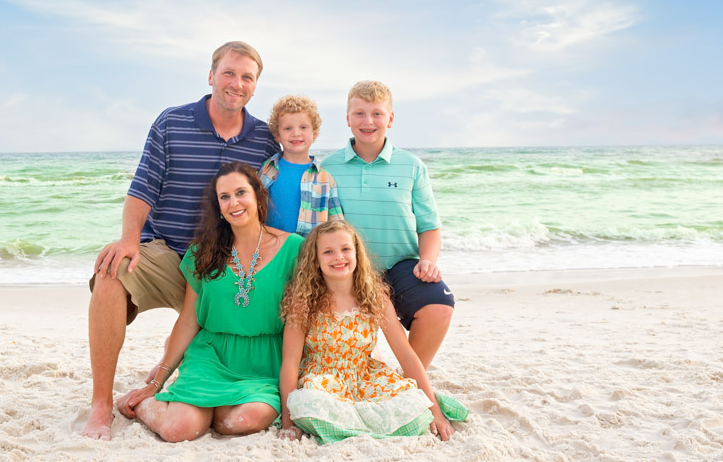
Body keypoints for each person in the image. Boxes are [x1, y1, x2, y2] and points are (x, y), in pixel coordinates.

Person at [81, 42, 280, 440]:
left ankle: (216, 390)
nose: (236, 83)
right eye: (228, 73)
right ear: (211, 76)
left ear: (255, 87)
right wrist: (128, 240)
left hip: (230, 268)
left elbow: (276, 198)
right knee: (111, 269)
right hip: (172, 254)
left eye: (247, 77)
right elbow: (143, 187)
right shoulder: (172, 122)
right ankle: (101, 404)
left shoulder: (265, 139)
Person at [115, 162, 304, 441]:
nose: (233, 203)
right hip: (211, 356)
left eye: (241, 193)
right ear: (218, 206)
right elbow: (189, 321)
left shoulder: (295, 249)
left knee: (247, 418)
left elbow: (301, 322)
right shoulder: (202, 252)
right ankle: (146, 405)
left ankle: (203, 414)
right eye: (224, 197)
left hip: (266, 362)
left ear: (258, 195)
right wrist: (157, 382)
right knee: (179, 429)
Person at [278, 219, 467, 443]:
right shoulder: (304, 301)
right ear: (315, 260)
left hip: (365, 377)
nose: (339, 257)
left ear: (357, 254)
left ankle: (353, 429)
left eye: (346, 249)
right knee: (310, 406)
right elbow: (290, 363)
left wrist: (435, 412)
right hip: (322, 380)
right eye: (328, 252)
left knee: (416, 413)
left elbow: (406, 355)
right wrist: (288, 424)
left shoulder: (374, 297)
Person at [320, 81, 454, 370]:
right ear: (347, 119)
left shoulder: (412, 166)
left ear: (390, 118)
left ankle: (409, 380)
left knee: (439, 308)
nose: (368, 122)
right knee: (360, 356)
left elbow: (429, 227)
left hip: (401, 266)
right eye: (359, 114)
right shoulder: (328, 167)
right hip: (348, 269)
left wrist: (428, 261)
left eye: (377, 114)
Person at [259, 94, 343, 236]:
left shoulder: (325, 179)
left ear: (314, 134)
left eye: (303, 127)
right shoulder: (267, 169)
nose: (296, 133)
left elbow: (337, 223)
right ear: (277, 135)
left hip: (310, 251)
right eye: (287, 128)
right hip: (272, 249)